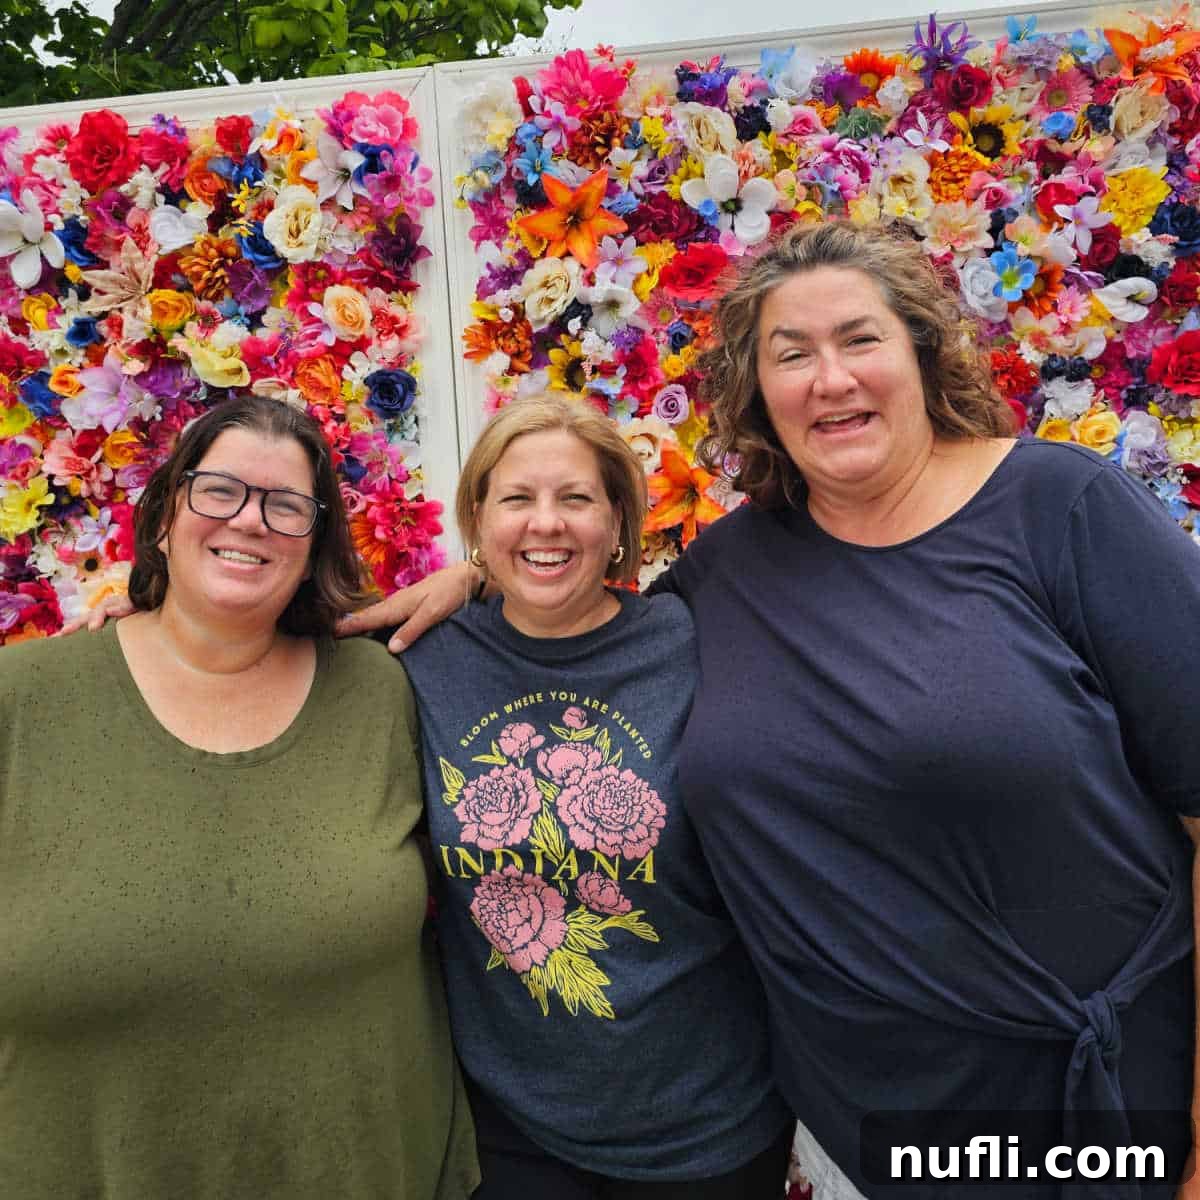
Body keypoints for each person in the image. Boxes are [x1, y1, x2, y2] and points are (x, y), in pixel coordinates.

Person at [341, 222, 1200, 1199]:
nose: (830, 379)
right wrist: (474, 581)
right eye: (792, 354)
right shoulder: (730, 571)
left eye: (859, 339)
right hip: (858, 1132)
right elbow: (577, 611)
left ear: (923, 351)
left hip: (1098, 1112)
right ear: (758, 393)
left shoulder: (1061, 508)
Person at [0, 395, 478, 1200]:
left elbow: (552, 613)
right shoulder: (23, 701)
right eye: (219, 491)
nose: (250, 520)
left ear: (314, 546)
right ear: (164, 517)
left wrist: (477, 573)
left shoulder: (380, 688)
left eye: (286, 506)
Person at [395, 395, 792, 1198]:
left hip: (707, 1127)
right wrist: (146, 598)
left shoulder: (697, 641)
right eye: (516, 498)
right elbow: (266, 626)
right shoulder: (421, 657)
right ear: (478, 519)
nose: (546, 523)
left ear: (617, 523)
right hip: (512, 1128)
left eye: (576, 498)